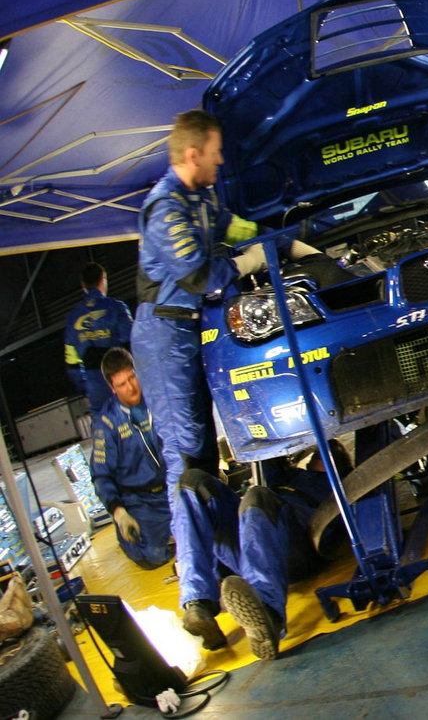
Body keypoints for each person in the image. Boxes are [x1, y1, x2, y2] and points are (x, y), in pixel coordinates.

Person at [130, 108, 267, 649]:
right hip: (164, 337)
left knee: (208, 461)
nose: (222, 159)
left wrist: (286, 232)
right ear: (192, 154)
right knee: (186, 460)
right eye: (215, 152)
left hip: (198, 328)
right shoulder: (164, 207)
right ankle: (196, 600)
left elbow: (237, 228)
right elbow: (199, 273)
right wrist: (248, 259)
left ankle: (224, 569)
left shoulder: (204, 199)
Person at [170, 443, 347, 660]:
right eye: (319, 453)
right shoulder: (284, 476)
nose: (319, 455)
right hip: (252, 537)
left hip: (297, 543)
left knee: (258, 496)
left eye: (330, 454)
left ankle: (267, 613)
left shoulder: (335, 485)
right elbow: (264, 451)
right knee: (192, 481)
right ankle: (198, 604)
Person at [87, 348, 172, 571]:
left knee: (212, 529)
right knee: (152, 557)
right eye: (122, 384)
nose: (131, 388)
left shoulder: (158, 400)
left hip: (173, 487)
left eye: (132, 378)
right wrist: (118, 511)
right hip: (140, 500)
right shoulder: (106, 424)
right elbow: (101, 474)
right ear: (112, 388)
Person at [63, 262, 132, 418]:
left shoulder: (72, 319)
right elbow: (131, 343)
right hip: (124, 380)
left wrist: (84, 390)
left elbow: (72, 363)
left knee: (107, 435)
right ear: (103, 279)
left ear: (83, 285)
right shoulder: (116, 307)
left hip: (95, 387)